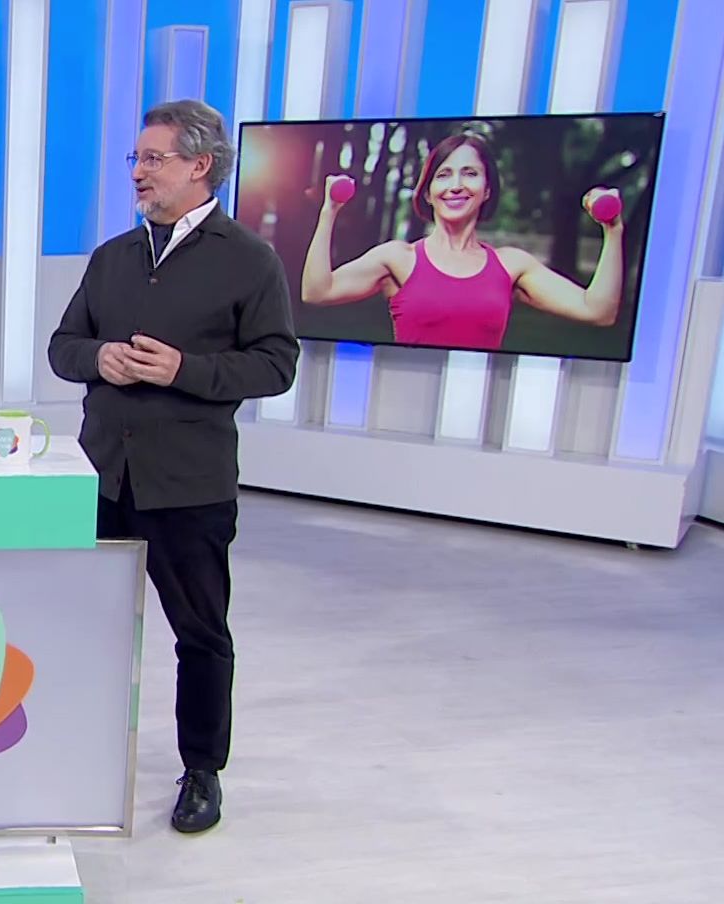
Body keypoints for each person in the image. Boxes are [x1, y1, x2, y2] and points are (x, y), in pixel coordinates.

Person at [48, 99, 299, 834]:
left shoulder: (249, 261)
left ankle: (202, 771)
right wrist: (100, 357)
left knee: (200, 633)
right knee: (85, 624)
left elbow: (276, 363)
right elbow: (63, 346)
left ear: (201, 165)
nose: (138, 172)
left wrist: (184, 369)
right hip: (103, 478)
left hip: (188, 486)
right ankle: (76, 753)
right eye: (136, 158)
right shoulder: (113, 257)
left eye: (154, 158)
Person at [300, 129, 624, 350]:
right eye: (443, 175)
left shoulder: (512, 265)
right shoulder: (398, 258)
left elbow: (598, 311)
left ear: (487, 190)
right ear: (428, 193)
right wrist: (329, 211)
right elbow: (317, 292)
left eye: (470, 173)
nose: (456, 185)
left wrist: (613, 230)